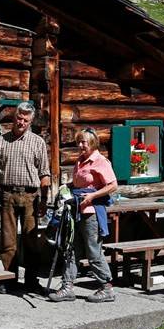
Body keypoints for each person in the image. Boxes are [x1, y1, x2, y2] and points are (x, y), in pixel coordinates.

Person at [0, 102, 51, 292]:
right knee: (8, 241)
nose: (21, 122)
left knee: (31, 240)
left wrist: (44, 200)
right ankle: (9, 280)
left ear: (30, 122)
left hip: (31, 196)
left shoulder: (37, 142)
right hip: (7, 195)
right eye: (19, 118)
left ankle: (31, 281)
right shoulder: (2, 141)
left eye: (26, 120)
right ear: (14, 118)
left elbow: (44, 174)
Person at [48, 128, 117, 303]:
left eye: (83, 142)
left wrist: (93, 196)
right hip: (76, 211)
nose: (79, 146)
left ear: (93, 143)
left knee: (93, 251)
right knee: (71, 249)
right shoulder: (80, 161)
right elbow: (79, 182)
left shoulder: (100, 161)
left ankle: (106, 287)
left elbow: (113, 185)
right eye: (78, 142)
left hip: (92, 213)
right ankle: (67, 286)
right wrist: (68, 186)